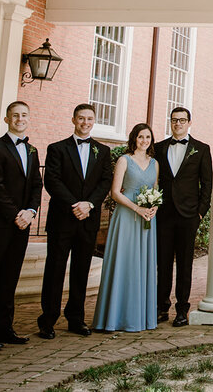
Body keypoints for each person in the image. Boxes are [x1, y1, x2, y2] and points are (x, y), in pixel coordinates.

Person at [0, 101, 43, 351]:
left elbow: (37, 185)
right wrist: (16, 214)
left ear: (28, 118)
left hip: (21, 225)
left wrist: (31, 212)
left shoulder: (33, 150)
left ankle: (3, 327)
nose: (20, 119)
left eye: (24, 115)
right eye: (15, 115)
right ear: (7, 119)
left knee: (9, 278)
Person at [38, 104, 112, 340]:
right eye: (81, 118)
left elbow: (105, 182)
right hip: (63, 218)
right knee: (55, 270)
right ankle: (48, 319)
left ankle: (76, 319)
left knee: (81, 270)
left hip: (87, 220)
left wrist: (88, 205)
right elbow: (52, 181)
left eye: (89, 119)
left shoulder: (103, 150)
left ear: (94, 121)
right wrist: (75, 205)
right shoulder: (57, 148)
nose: (85, 122)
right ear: (73, 120)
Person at [92, 123, 159, 332]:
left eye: (148, 137)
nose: (144, 141)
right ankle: (115, 317)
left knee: (143, 264)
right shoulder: (124, 160)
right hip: (127, 216)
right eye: (140, 137)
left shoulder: (155, 163)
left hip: (147, 218)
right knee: (125, 262)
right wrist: (137, 209)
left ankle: (141, 317)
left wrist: (153, 207)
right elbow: (115, 192)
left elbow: (155, 190)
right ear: (134, 138)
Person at [152, 107, 213, 327]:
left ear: (189, 122)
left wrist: (200, 212)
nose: (178, 124)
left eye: (182, 120)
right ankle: (161, 307)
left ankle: (182, 309)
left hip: (189, 215)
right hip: (164, 214)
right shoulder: (158, 148)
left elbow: (207, 184)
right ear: (170, 122)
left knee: (185, 264)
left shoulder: (201, 149)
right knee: (163, 262)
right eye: (174, 120)